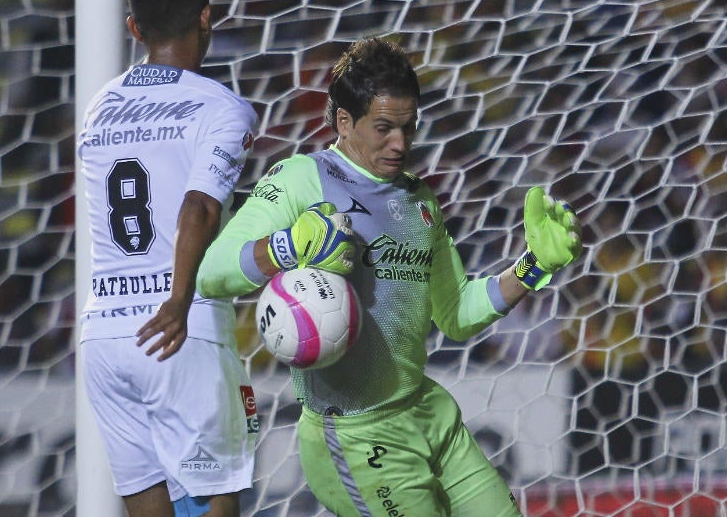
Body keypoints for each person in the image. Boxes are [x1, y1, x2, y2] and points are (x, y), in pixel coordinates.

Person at [197, 37, 582, 516]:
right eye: (383, 128)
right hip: (358, 437)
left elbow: (457, 313)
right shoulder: (303, 178)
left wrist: (533, 267)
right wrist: (288, 246)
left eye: (408, 127)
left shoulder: (419, 200)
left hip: (428, 414)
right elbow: (211, 272)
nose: (400, 143)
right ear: (344, 121)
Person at [77, 0, 259, 517]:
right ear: (206, 17)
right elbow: (199, 207)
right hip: (179, 330)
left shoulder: (97, 107)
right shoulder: (222, 108)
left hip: (105, 337)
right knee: (213, 504)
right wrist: (178, 301)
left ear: (134, 28)